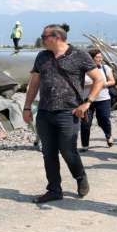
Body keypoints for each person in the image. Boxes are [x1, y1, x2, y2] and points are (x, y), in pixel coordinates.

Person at [23, 23, 104, 204]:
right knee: (48, 152)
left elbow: (99, 80)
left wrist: (87, 102)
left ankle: (80, 177)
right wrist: (27, 107)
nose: (41, 40)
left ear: (56, 37)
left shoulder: (79, 55)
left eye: (44, 37)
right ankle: (54, 189)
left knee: (68, 150)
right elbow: (34, 83)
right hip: (45, 112)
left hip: (69, 112)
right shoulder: (42, 56)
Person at [79, 49, 115, 152]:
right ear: (90, 58)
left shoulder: (105, 68)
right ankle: (85, 145)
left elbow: (112, 81)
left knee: (103, 119)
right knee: (85, 123)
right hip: (86, 100)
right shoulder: (83, 70)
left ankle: (108, 135)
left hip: (103, 99)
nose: (100, 59)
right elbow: (78, 83)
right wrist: (93, 84)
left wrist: (101, 84)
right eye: (97, 57)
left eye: (101, 57)